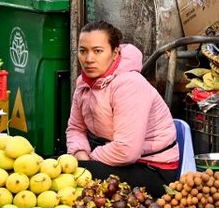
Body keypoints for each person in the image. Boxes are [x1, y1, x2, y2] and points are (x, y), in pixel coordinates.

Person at [66, 21, 179, 197]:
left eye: (98, 51)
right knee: (53, 166)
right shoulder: (84, 83)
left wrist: (88, 161)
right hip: (110, 157)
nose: (88, 59)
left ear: (115, 53)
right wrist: (80, 155)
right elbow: (75, 128)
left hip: (151, 170)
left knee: (68, 175)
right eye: (83, 51)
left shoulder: (129, 84)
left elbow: (127, 151)